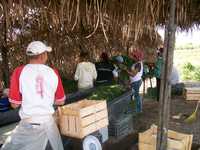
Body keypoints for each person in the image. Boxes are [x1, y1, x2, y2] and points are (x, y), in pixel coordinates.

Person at [1, 41, 66, 150]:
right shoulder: (53, 72)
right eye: (46, 53)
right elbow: (61, 101)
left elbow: (14, 105)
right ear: (42, 56)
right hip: (48, 124)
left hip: (28, 125)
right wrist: (48, 100)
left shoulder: (19, 72)